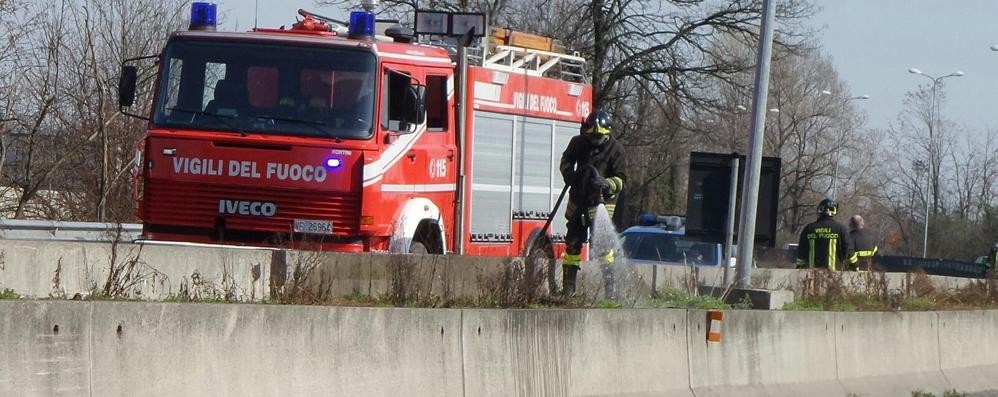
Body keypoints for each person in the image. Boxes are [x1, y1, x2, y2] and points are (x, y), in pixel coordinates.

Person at [558, 109, 626, 296]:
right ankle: (568, 290)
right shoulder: (578, 143)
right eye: (592, 137)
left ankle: (610, 292)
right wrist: (571, 177)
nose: (595, 141)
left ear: (607, 133)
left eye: (599, 138)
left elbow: (621, 179)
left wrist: (606, 183)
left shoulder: (616, 149)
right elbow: (565, 161)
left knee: (604, 247)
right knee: (572, 243)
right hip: (579, 197)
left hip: (602, 202)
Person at [795, 198, 856, 271]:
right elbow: (848, 249)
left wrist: (799, 268)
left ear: (820, 210)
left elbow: (801, 251)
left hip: (812, 275)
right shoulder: (841, 229)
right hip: (834, 276)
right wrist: (854, 265)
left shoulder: (809, 228)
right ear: (834, 211)